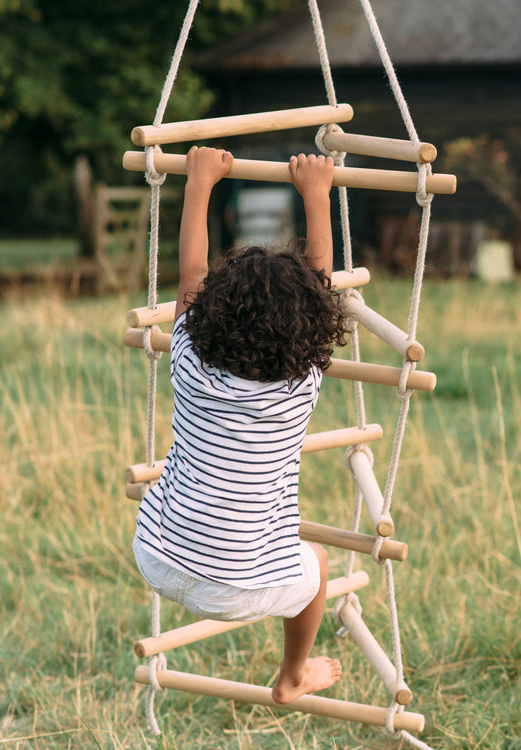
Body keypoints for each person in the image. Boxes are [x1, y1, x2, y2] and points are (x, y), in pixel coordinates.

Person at [133, 146, 349, 704]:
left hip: (156, 555)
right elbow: (321, 283)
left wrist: (201, 182)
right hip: (237, 587)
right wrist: (317, 195)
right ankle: (293, 674)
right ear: (311, 327)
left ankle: (291, 669)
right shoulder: (298, 385)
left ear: (214, 309)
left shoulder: (189, 358)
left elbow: (190, 273)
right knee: (318, 563)